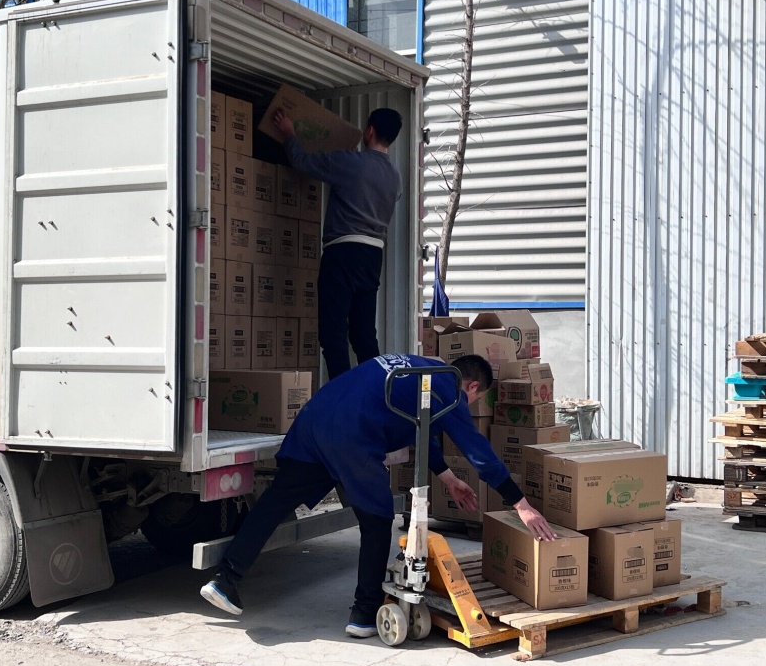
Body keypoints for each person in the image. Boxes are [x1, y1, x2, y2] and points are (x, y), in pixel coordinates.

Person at [200, 354, 557, 638]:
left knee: (274, 503)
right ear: (473, 386)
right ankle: (364, 613)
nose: (470, 404)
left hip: (314, 421)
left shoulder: (419, 369)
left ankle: (226, 579)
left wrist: (447, 477)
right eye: (475, 398)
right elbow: (478, 453)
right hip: (354, 434)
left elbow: (421, 426)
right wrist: (521, 505)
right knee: (377, 519)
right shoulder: (450, 389)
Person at [273, 106, 403, 380]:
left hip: (343, 251)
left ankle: (341, 393)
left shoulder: (350, 162)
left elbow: (302, 162)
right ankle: (377, 390)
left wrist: (289, 134)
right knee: (363, 334)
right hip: (373, 257)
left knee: (333, 331)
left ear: (369, 131)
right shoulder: (395, 177)